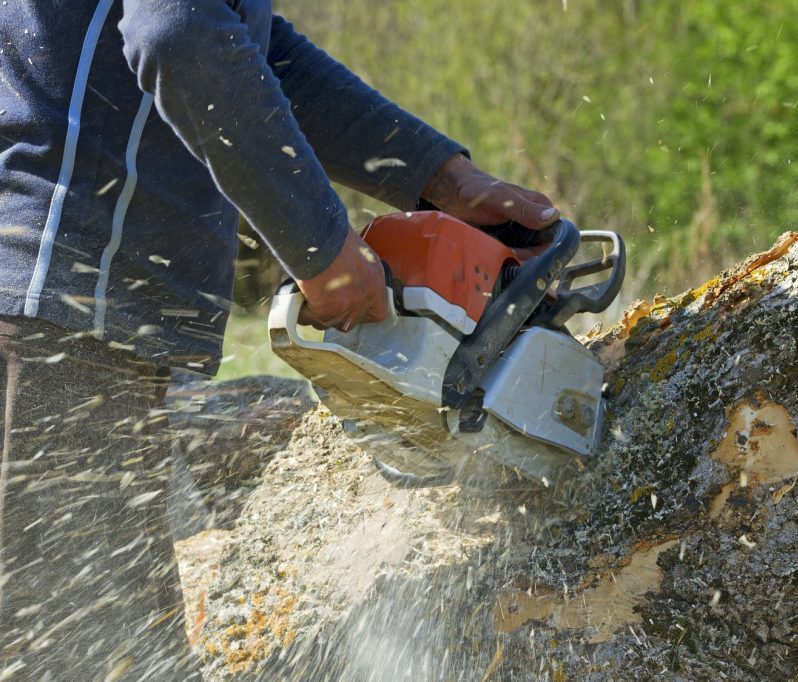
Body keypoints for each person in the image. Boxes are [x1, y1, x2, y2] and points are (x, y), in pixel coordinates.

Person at [0, 1, 559, 679]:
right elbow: (180, 36)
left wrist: (439, 176)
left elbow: (249, 51)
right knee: (86, 661)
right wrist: (319, 248)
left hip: (60, 315)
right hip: (53, 318)